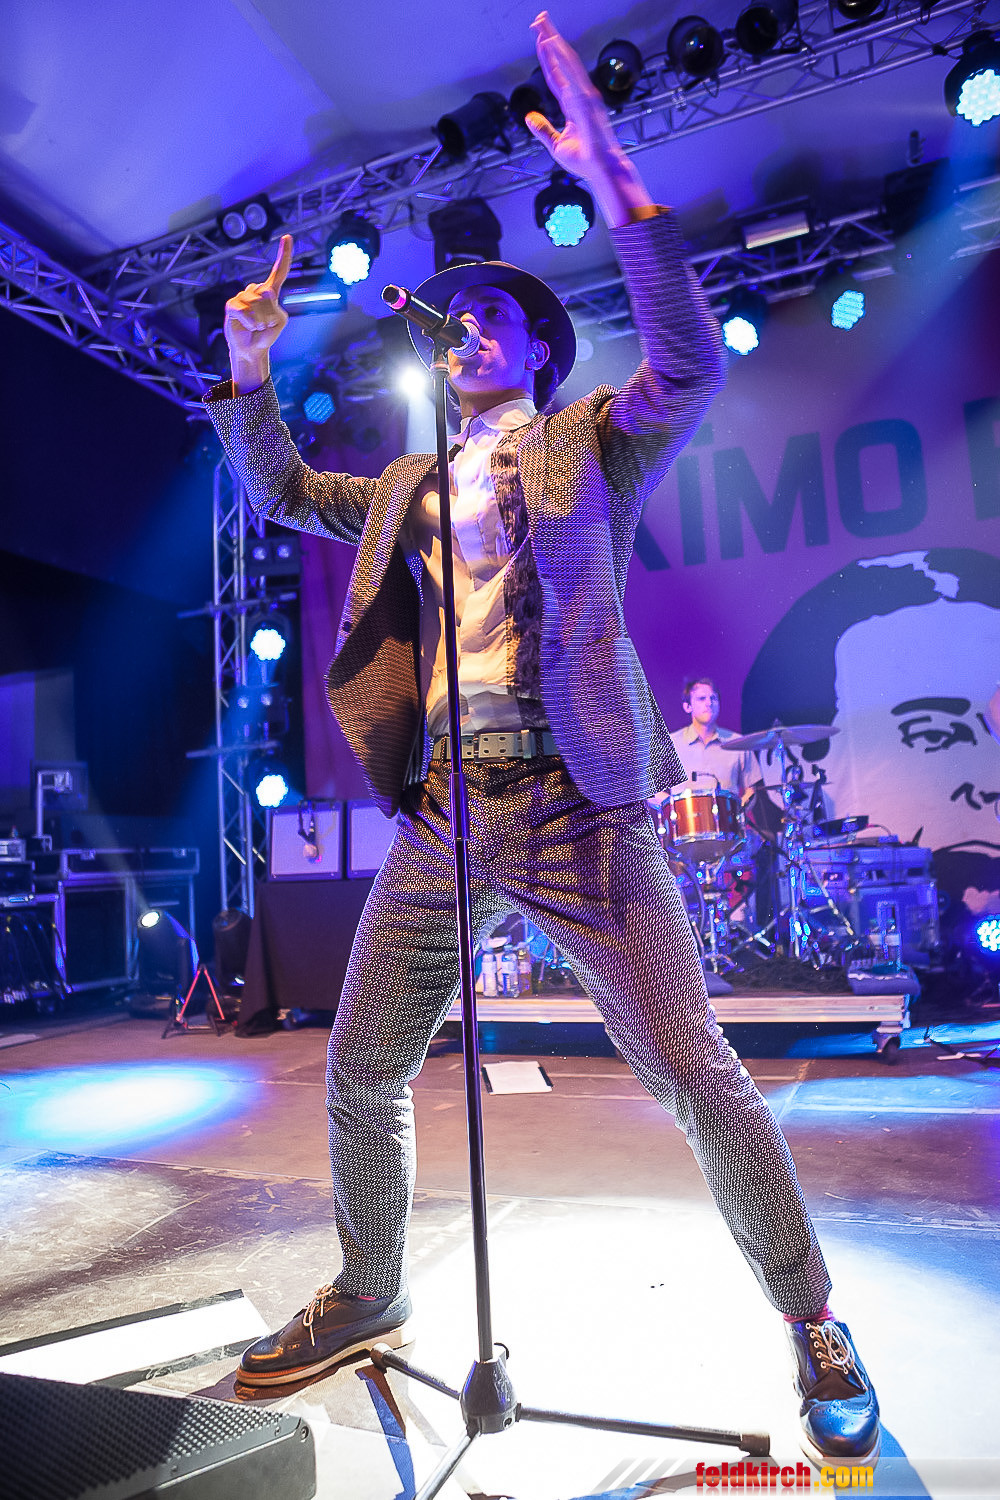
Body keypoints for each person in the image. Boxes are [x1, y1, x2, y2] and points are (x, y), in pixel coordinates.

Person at [205, 12, 879, 1466]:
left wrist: (616, 180)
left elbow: (688, 366)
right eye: (456, 319)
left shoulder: (587, 445)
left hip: (583, 806)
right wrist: (250, 376)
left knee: (697, 1071)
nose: (467, 328)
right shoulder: (402, 484)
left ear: (538, 350)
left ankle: (813, 1318)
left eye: (495, 317)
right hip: (447, 816)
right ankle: (371, 1286)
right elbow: (282, 494)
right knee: (361, 1065)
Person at [671, 676, 764, 804]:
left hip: (727, 816)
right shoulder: (671, 743)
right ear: (687, 707)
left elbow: (751, 790)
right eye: (701, 698)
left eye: (713, 698)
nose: (709, 703)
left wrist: (737, 810)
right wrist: (673, 806)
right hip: (684, 816)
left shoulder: (738, 743)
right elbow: (652, 792)